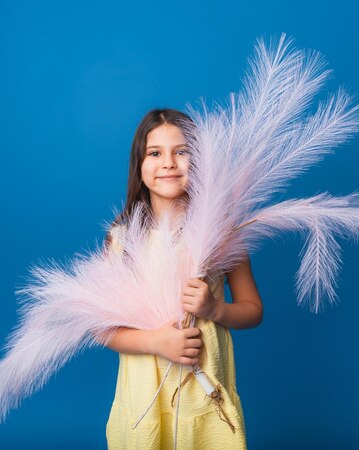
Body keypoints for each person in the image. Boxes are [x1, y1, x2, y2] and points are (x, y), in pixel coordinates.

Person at [104, 108, 263, 449]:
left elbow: (253, 310)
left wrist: (214, 309)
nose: (169, 163)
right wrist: (155, 342)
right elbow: (103, 329)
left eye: (182, 151)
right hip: (144, 399)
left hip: (203, 398)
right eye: (155, 153)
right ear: (139, 165)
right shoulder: (121, 239)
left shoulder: (223, 234)